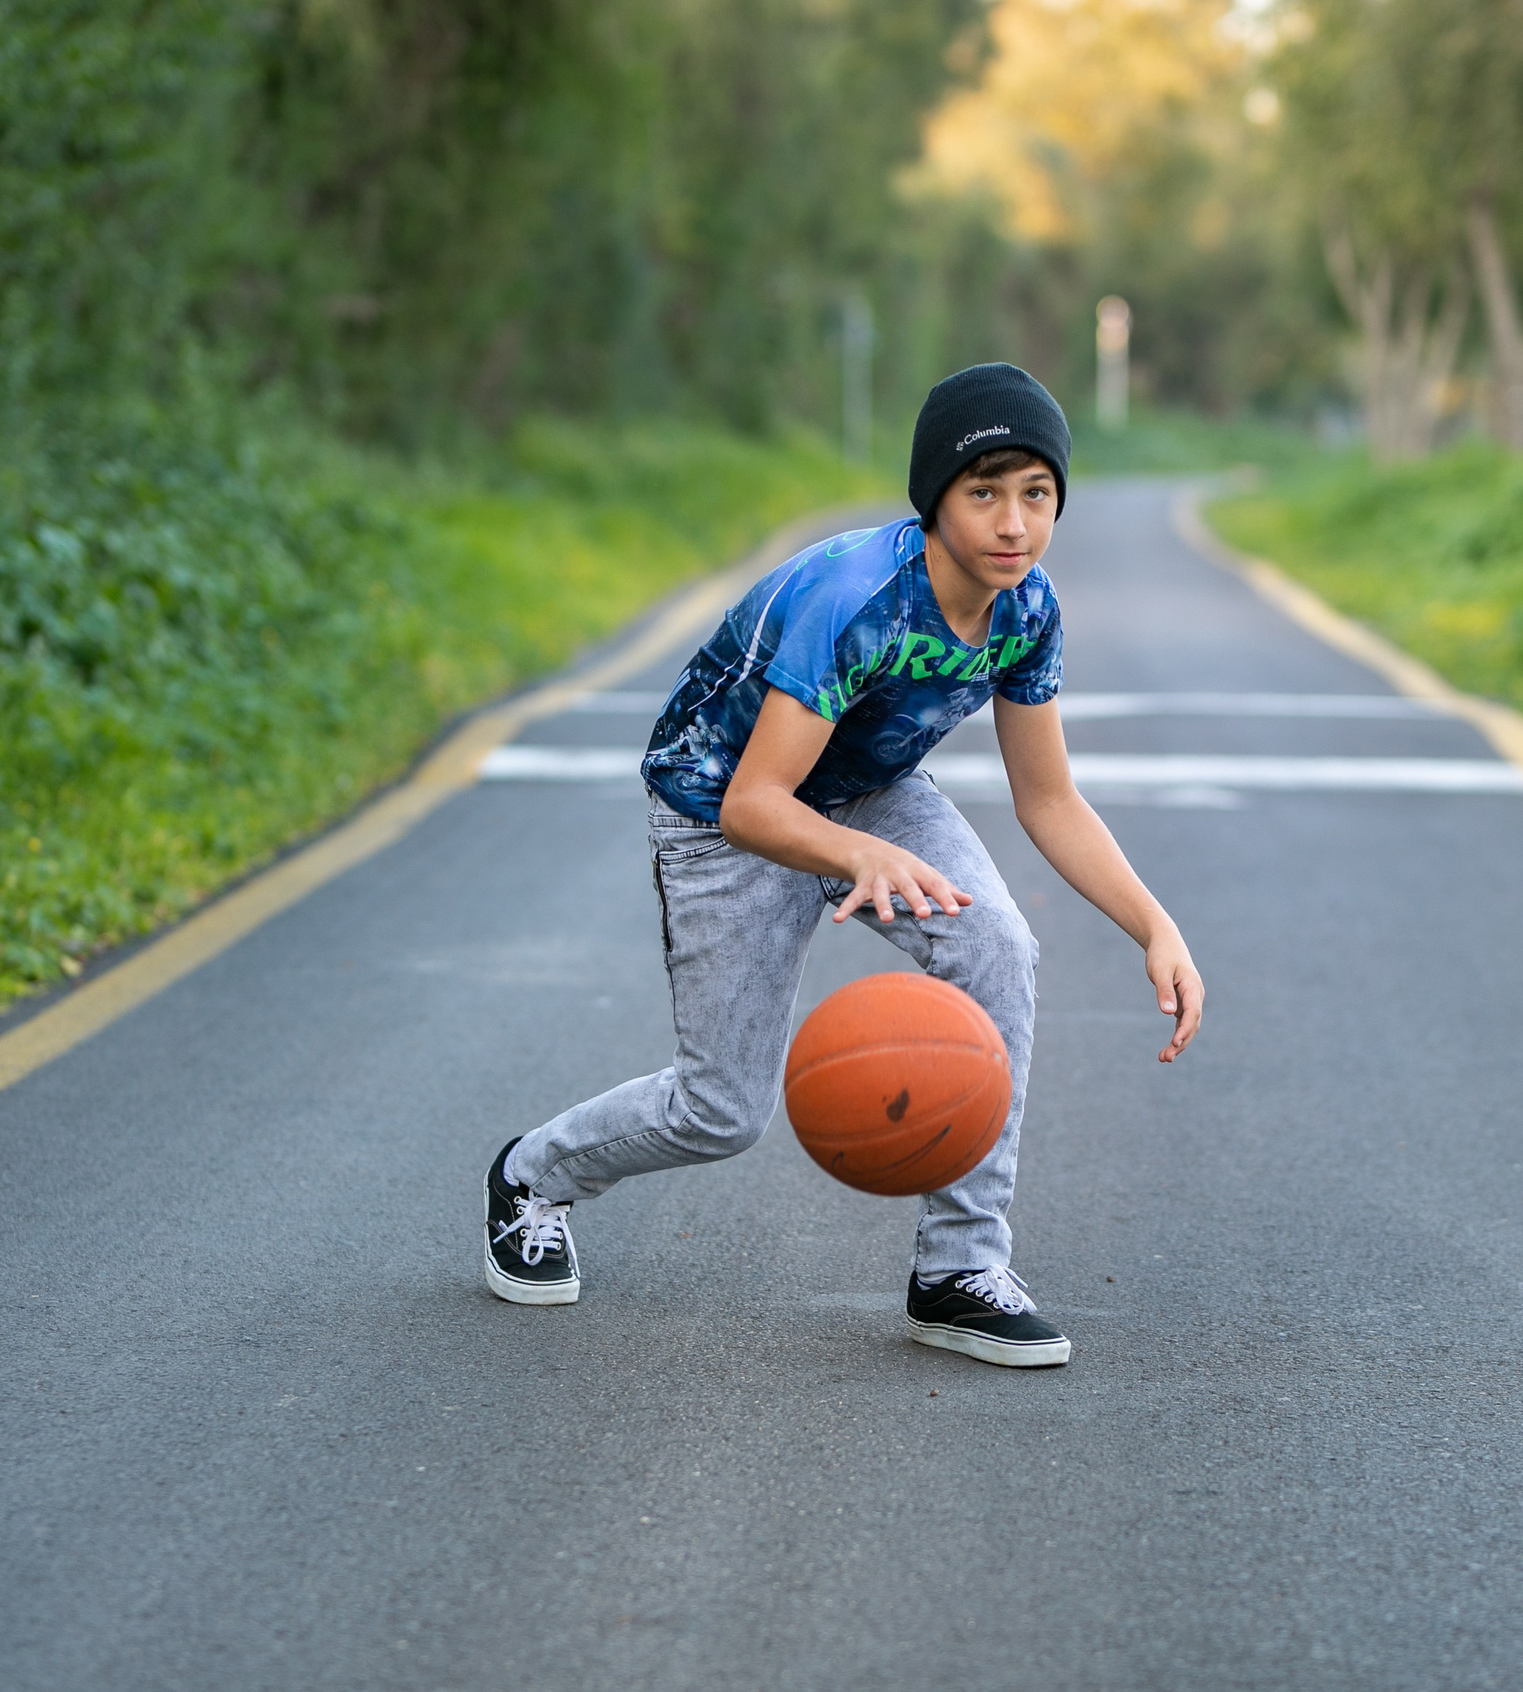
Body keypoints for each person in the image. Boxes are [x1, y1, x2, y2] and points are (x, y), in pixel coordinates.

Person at [480, 362, 1206, 1367]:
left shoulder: (1025, 611)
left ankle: (958, 1270)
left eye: (1034, 494)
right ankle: (531, 1175)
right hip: (721, 801)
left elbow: (1048, 798)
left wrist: (1153, 925)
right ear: (934, 498)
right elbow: (754, 804)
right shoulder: (853, 597)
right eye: (983, 491)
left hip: (865, 787)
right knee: (719, 1112)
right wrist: (853, 850)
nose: (1012, 523)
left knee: (997, 944)